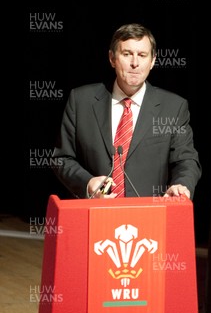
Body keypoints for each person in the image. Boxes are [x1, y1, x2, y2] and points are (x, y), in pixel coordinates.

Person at [52, 23, 201, 200]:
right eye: (127, 54)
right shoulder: (81, 101)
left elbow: (186, 160)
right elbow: (62, 158)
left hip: (148, 218)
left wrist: (181, 185)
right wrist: (88, 183)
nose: (135, 63)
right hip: (93, 214)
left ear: (152, 61)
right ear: (112, 58)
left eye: (142, 55)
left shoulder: (173, 107)